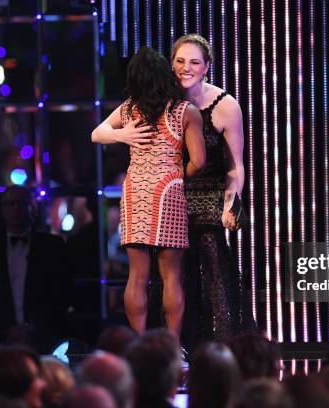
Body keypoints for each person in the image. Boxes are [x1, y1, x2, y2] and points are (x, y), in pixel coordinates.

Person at [92, 47, 206, 337]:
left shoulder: (130, 109)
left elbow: (96, 133)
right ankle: (171, 344)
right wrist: (179, 175)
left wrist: (120, 135)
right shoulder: (185, 111)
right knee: (171, 277)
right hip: (168, 190)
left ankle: (140, 342)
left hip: (135, 190)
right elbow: (200, 161)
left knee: (137, 276)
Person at [170, 33, 256, 345]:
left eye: (194, 62)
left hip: (209, 197)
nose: (185, 68)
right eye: (180, 61)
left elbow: (236, 166)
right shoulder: (164, 103)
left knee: (214, 267)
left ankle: (225, 345)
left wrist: (229, 205)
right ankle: (178, 347)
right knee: (173, 277)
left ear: (207, 66)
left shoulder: (225, 105)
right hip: (173, 197)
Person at [0, 186, 71, 351]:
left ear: (32, 208)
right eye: (10, 204)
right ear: (2, 210)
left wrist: (32, 327)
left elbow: (61, 292)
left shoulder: (52, 246)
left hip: (45, 338)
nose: (16, 209)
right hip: (0, 340)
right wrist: (6, 330)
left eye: (22, 203)